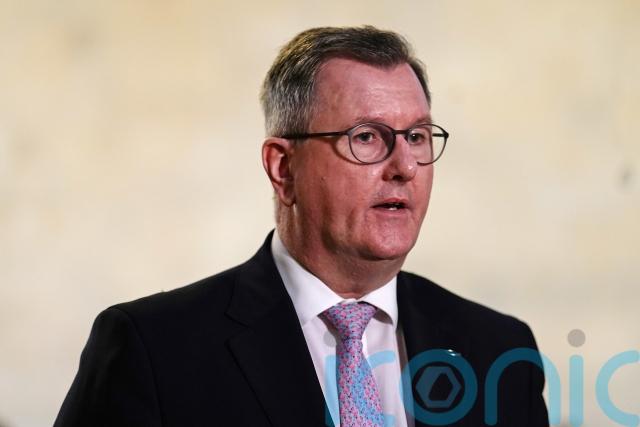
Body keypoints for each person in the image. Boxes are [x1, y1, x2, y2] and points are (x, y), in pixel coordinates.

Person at [55, 26, 549, 427]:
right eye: (367, 137)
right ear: (283, 168)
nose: (404, 166)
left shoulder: (499, 351)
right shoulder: (155, 349)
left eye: (417, 136)